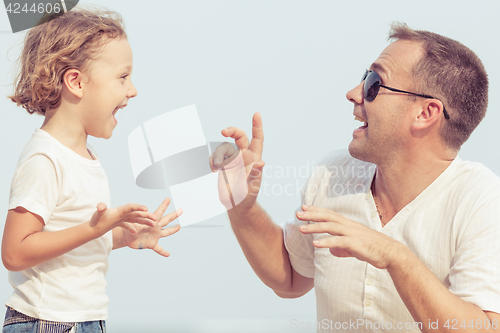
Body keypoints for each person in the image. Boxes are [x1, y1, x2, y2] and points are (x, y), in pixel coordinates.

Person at [210, 23, 500, 332]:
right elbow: (291, 278)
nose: (352, 93)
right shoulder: (332, 174)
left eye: (374, 83)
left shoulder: (481, 200)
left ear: (425, 113)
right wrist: (242, 207)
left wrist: (394, 256)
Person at [1, 8, 182, 333]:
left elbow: (72, 234)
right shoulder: (44, 157)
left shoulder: (85, 155)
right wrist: (94, 229)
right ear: (76, 82)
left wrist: (122, 236)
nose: (133, 90)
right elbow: (15, 252)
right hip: (48, 322)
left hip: (84, 320)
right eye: (123, 76)